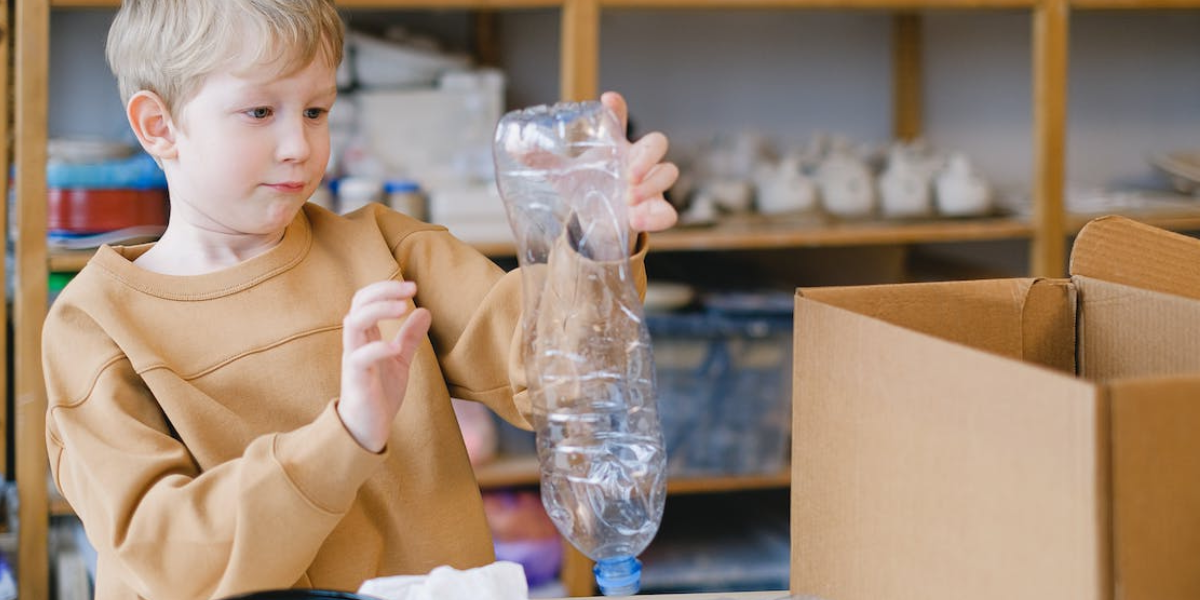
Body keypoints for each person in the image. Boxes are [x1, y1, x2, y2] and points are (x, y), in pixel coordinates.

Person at [41, 1, 679, 598]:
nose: (300, 145)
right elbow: (171, 557)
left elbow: (550, 374)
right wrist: (344, 436)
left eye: (315, 111)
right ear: (160, 126)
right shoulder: (96, 326)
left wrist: (594, 246)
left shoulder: (386, 250)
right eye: (260, 113)